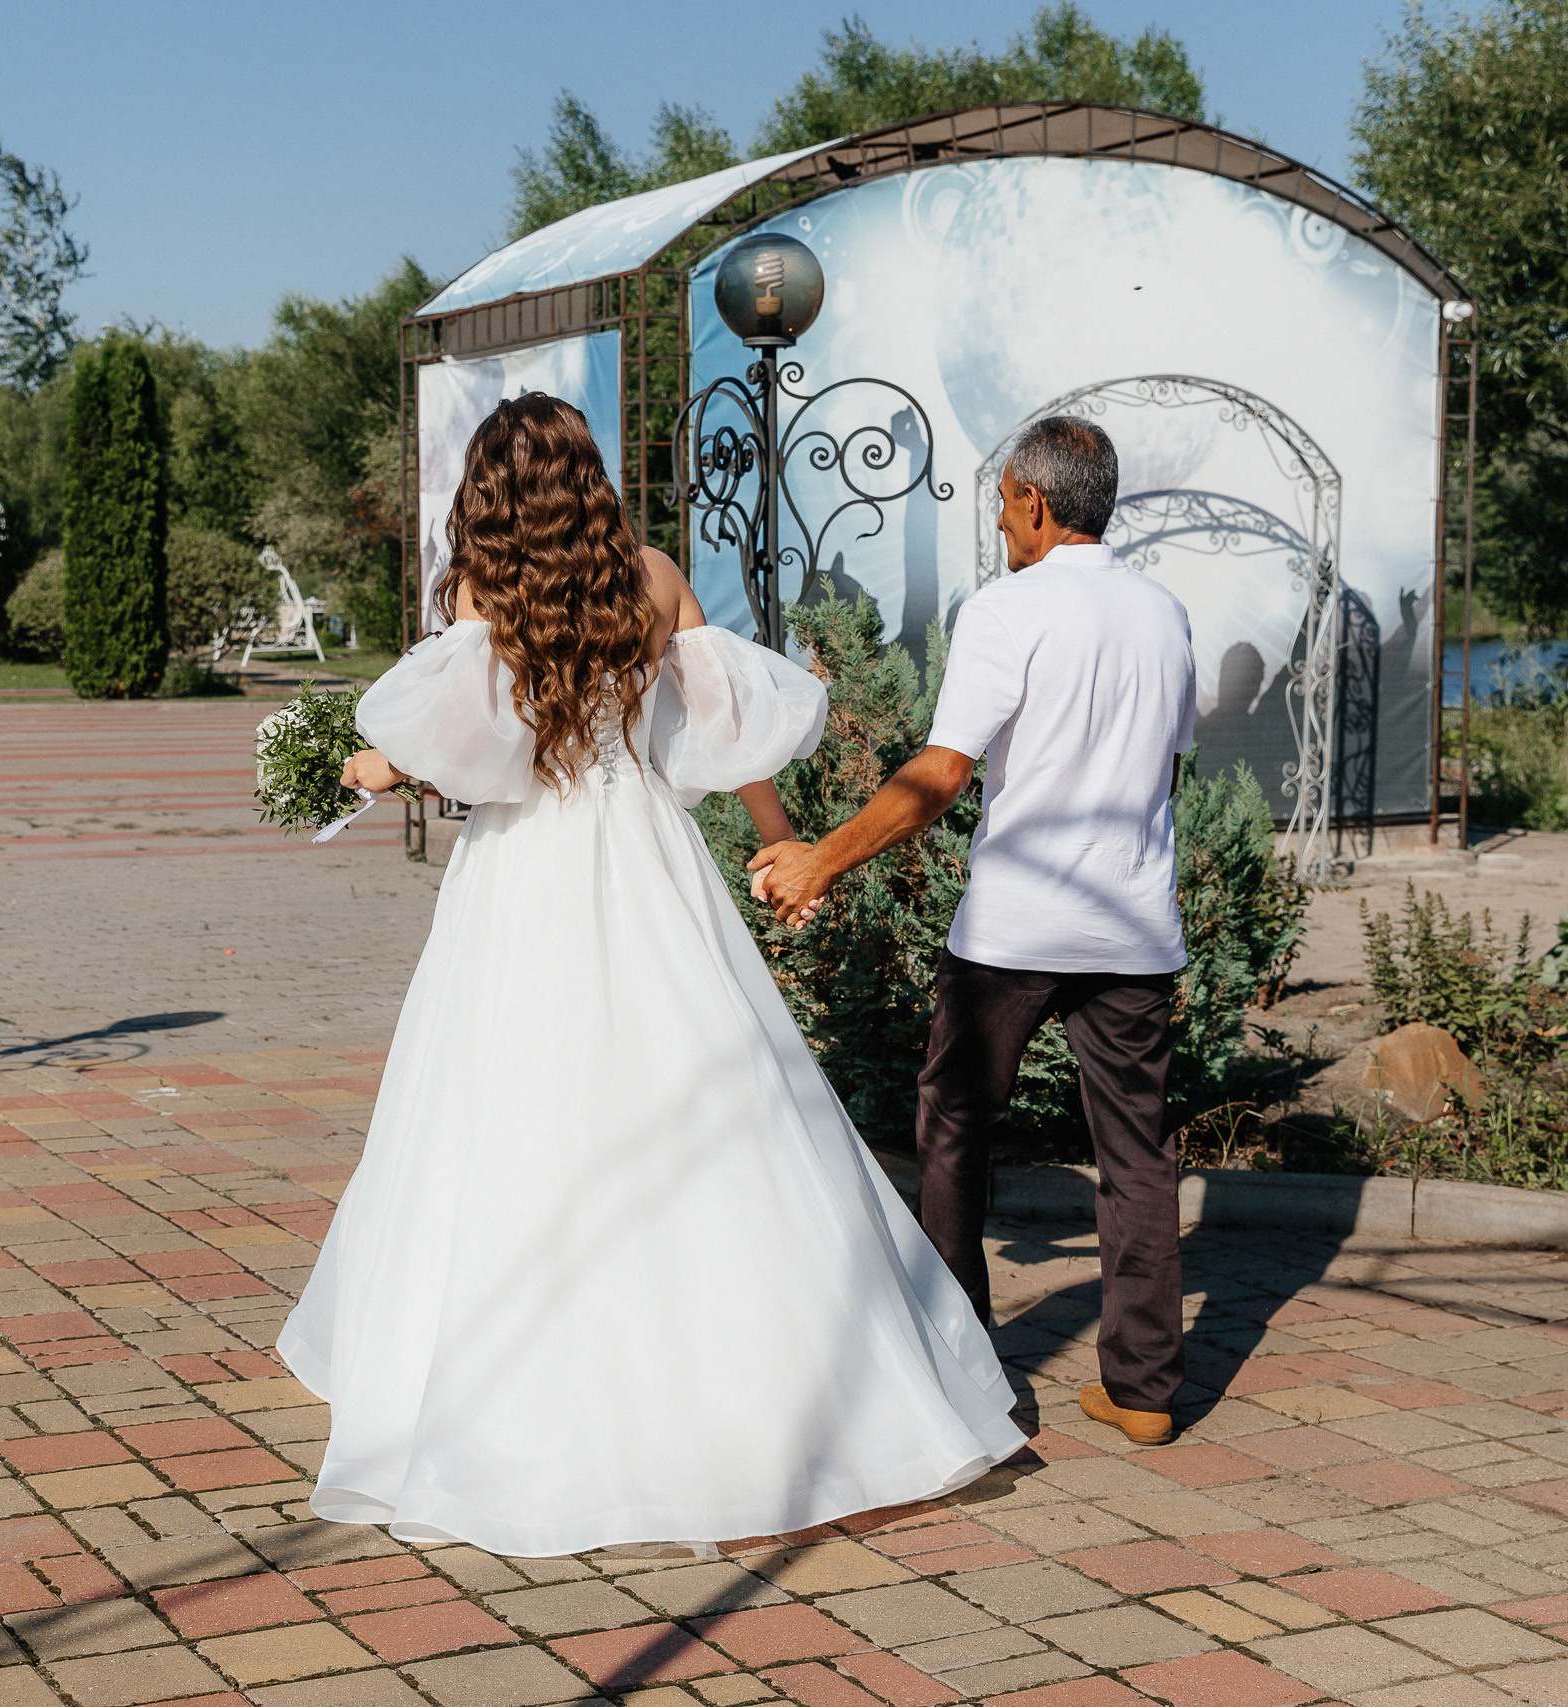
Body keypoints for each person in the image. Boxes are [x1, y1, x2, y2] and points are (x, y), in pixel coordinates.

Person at [278, 393, 1026, 1558]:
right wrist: (787, 850)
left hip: (525, 875)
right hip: (646, 861)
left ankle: (522, 1377)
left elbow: (483, 763)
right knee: (711, 1092)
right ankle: (785, 1383)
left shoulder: (486, 594)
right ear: (589, 475)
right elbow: (729, 737)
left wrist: (377, 765)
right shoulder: (653, 577)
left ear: (487, 492)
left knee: (506, 1101)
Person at [748, 415, 1197, 1447]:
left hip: (1016, 927)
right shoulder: (1165, 613)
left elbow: (942, 775)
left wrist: (821, 856)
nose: (998, 524)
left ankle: (954, 1361)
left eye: (1002, 504)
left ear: (1037, 504)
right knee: (1136, 1154)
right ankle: (1143, 1388)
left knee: (952, 1128)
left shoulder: (1009, 608)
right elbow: (1167, 767)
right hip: (1132, 926)